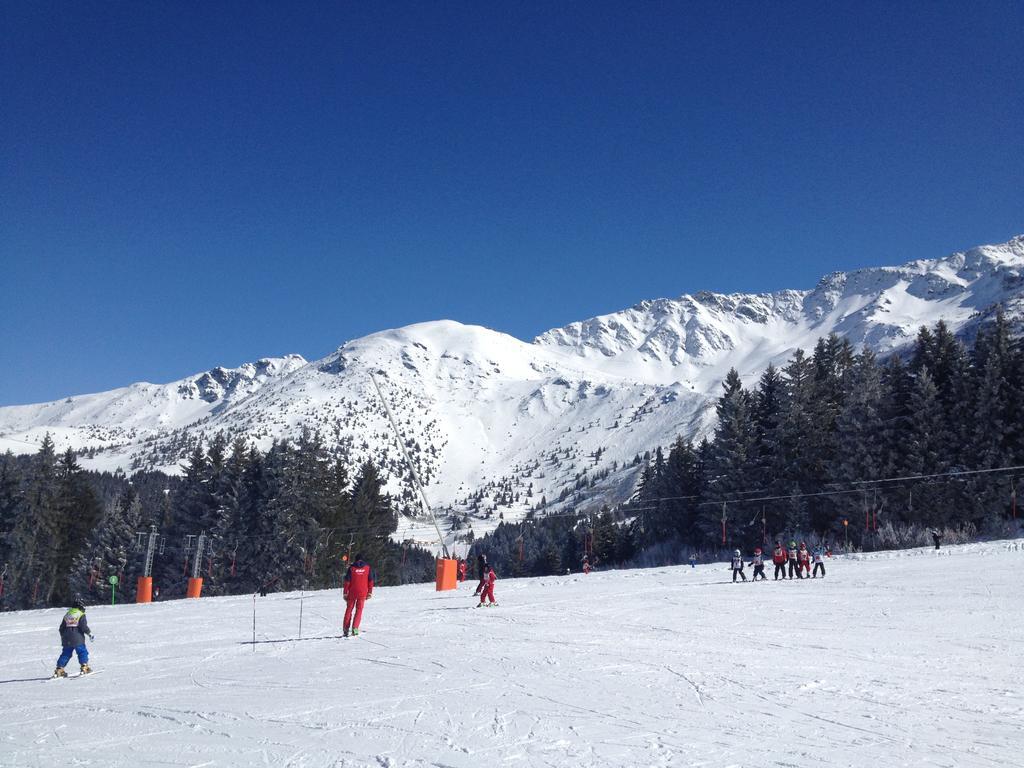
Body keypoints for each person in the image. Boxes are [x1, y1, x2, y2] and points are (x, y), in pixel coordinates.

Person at [54, 597, 93, 677]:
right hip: (77, 638)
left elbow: (61, 628)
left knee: (65, 654)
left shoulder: (67, 614)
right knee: (82, 652)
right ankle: (84, 666)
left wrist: (63, 636)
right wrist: (89, 633)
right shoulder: (80, 614)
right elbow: (83, 626)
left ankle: (59, 669)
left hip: (66, 638)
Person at [343, 554, 374, 637]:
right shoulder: (367, 568)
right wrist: (370, 592)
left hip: (352, 592)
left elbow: (347, 582)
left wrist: (345, 592)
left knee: (349, 610)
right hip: (362, 592)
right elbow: (370, 581)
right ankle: (355, 629)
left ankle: (346, 629)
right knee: (359, 610)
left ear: (355, 560)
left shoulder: (351, 568)